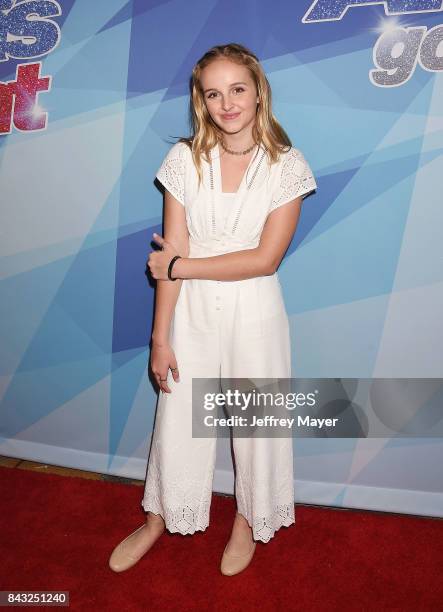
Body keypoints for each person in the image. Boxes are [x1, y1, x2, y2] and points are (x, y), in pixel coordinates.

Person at [109, 42, 317, 576]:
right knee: (177, 418)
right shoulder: (183, 160)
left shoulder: (286, 165)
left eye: (237, 90)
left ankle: (248, 520)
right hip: (191, 312)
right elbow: (172, 250)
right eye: (214, 93)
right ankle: (157, 517)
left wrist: (179, 268)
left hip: (255, 312)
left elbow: (264, 259)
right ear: (202, 101)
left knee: (255, 424)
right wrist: (161, 338)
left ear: (257, 91)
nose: (227, 103)